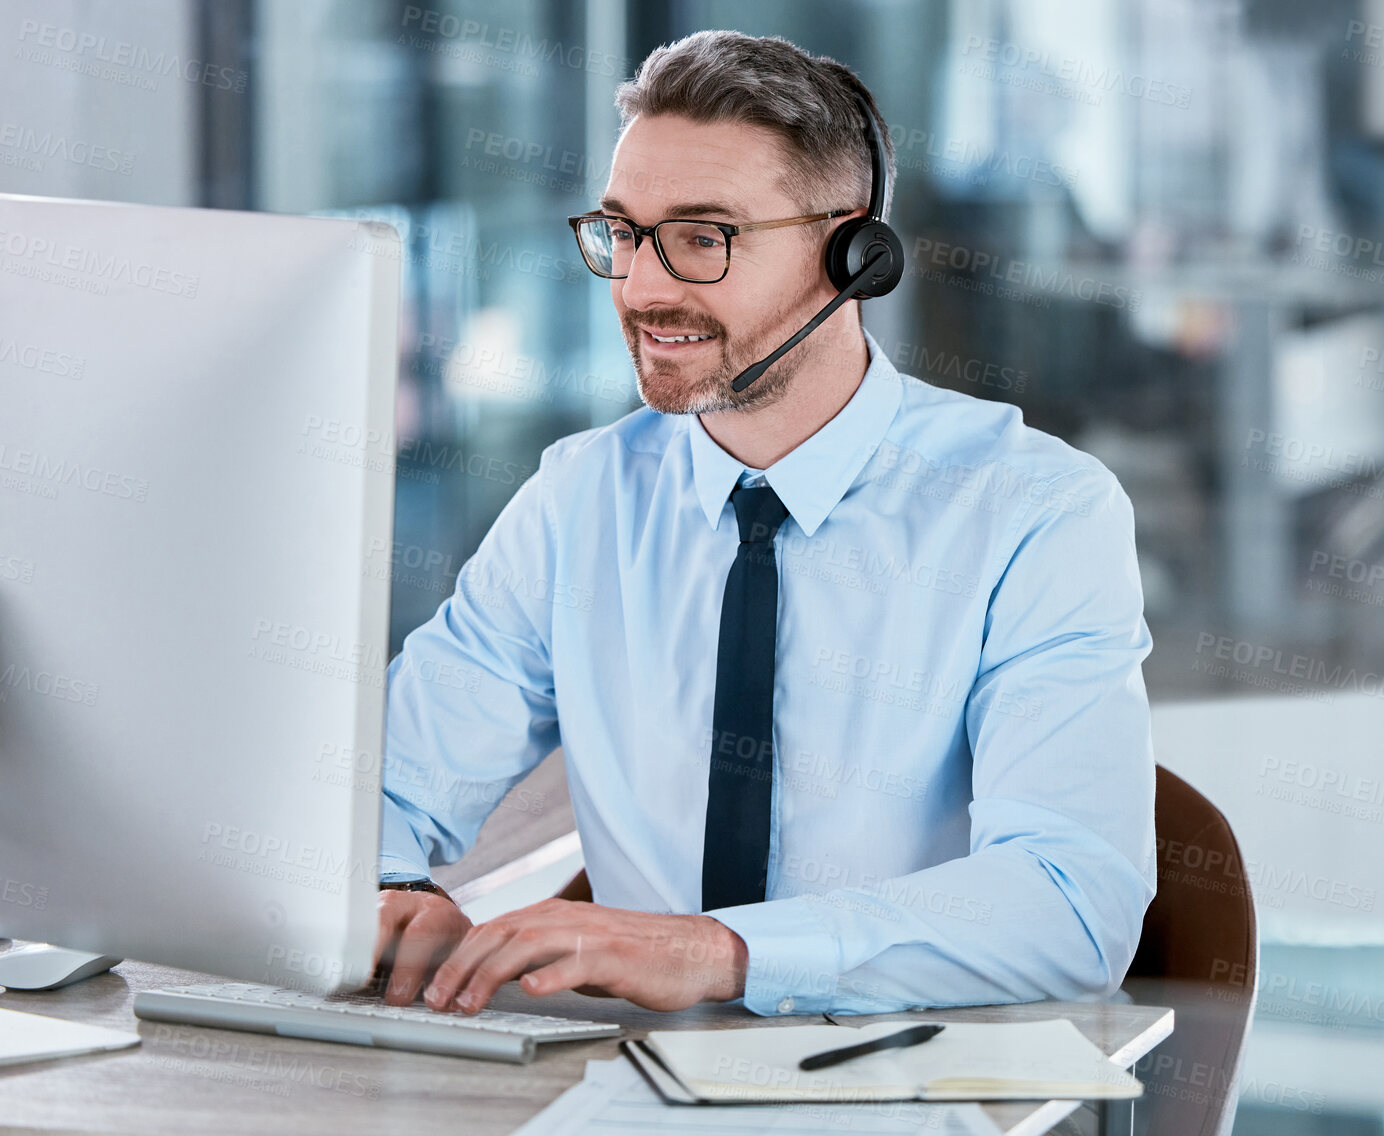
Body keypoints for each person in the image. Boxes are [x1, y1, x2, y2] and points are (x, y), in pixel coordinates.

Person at [373, 28, 1156, 1018]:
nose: (643, 288)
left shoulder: (1034, 513)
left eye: (705, 237)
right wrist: (392, 889)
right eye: (622, 231)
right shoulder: (578, 503)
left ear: (854, 254)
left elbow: (1069, 908)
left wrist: (719, 952)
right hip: (630, 1091)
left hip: (911, 1091)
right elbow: (378, 792)